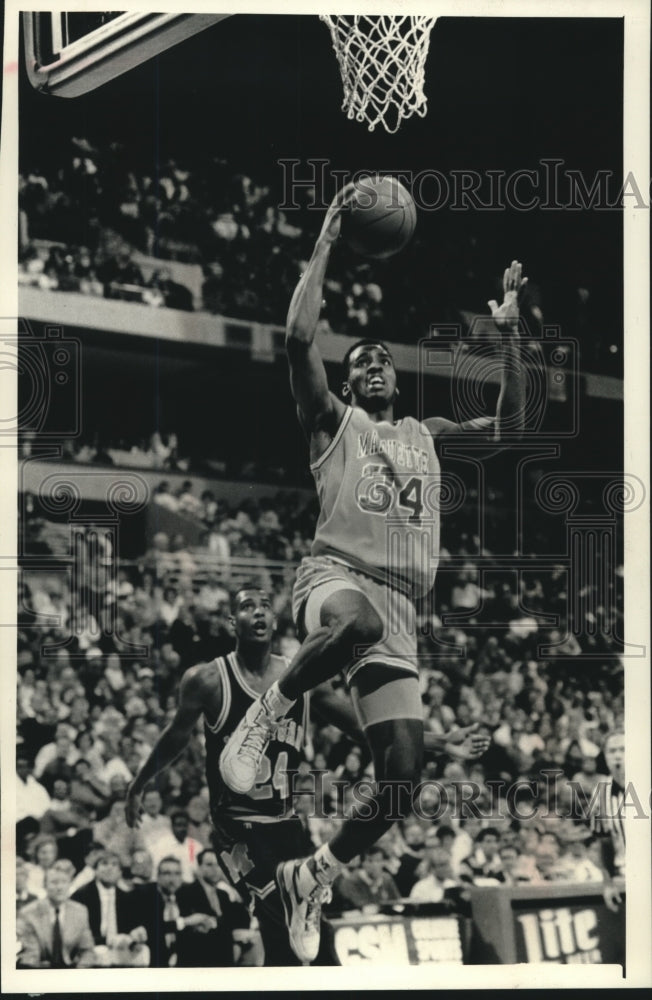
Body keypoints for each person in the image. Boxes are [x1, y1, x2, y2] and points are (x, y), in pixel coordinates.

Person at [218, 186, 523, 961]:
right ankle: (263, 724)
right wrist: (325, 238)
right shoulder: (332, 423)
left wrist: (511, 336)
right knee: (352, 622)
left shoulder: (427, 433)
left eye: (385, 358)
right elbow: (295, 340)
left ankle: (312, 875)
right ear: (350, 384)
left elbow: (516, 425)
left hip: (403, 608)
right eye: (364, 361)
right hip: (335, 577)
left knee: (404, 775)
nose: (377, 364)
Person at [125, 586, 484, 966]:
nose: (259, 613)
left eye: (265, 606)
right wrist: (139, 783)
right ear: (233, 621)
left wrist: (441, 742)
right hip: (236, 830)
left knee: (320, 946)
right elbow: (175, 737)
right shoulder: (208, 680)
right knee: (279, 931)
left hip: (287, 827)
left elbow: (358, 726)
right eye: (248, 607)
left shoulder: (301, 677)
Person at [176, 848, 252, 967]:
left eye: (218, 865)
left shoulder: (223, 894)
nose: (215, 869)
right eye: (209, 865)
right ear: (199, 867)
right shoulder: (186, 892)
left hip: (224, 958)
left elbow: (241, 920)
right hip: (198, 959)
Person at [17, 865, 94, 968]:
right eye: (54, 882)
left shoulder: (80, 911)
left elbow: (87, 950)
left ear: (69, 885)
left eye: (64, 882)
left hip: (72, 970)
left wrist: (80, 971)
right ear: (45, 886)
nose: (59, 887)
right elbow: (30, 954)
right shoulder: (29, 913)